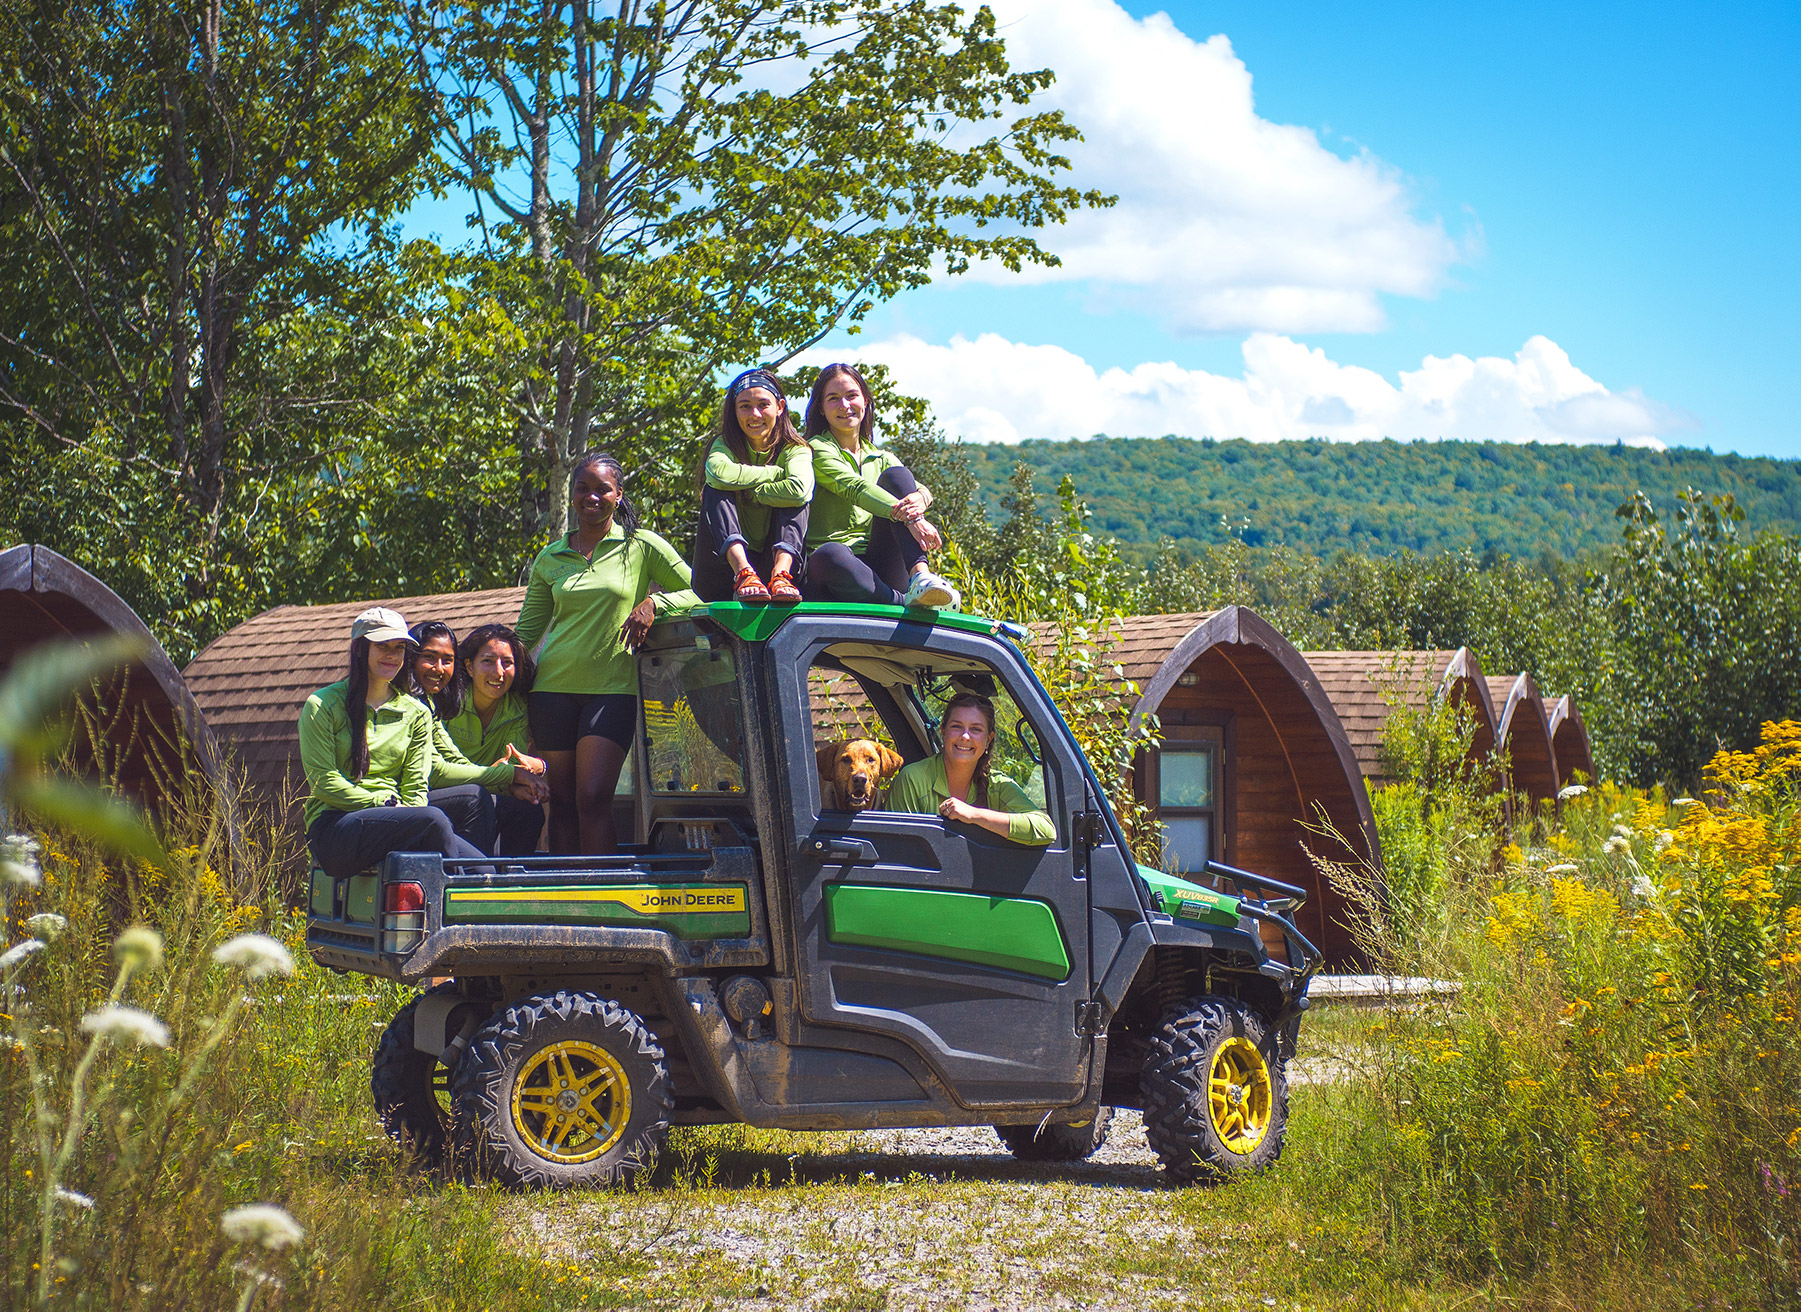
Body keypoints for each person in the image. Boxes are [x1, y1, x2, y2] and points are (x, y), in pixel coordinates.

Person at [517, 450, 700, 854]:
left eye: (603, 489)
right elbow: (525, 634)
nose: (591, 497)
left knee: (594, 798)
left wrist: (656, 604)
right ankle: (566, 900)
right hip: (551, 692)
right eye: (582, 489)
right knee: (561, 805)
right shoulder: (551, 557)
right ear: (572, 495)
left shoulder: (641, 546)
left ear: (619, 495)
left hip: (612, 690)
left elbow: (701, 591)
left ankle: (602, 896)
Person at [299, 606, 490, 879]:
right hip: (335, 826)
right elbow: (325, 783)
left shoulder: (416, 712)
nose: (392, 655)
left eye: (399, 648)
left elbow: (416, 786)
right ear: (359, 649)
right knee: (433, 819)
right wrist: (382, 802)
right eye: (382, 646)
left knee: (485, 870)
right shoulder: (322, 705)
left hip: (397, 819)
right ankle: (455, 907)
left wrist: (406, 814)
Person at [801, 363, 959, 609]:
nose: (844, 405)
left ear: (865, 400)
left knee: (897, 476)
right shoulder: (815, 449)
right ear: (821, 408)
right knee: (829, 555)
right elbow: (855, 487)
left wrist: (923, 497)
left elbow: (918, 488)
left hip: (884, 565)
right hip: (842, 570)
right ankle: (900, 602)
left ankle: (920, 576)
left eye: (851, 396)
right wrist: (913, 519)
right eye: (833, 399)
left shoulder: (882, 457)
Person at [409, 619, 548, 856]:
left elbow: (508, 763)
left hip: (483, 790)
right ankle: (475, 880)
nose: (498, 672)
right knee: (476, 798)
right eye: (487, 662)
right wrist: (508, 775)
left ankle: (513, 883)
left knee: (526, 808)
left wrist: (531, 772)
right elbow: (437, 771)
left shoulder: (516, 708)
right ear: (469, 667)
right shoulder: (444, 700)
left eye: (507, 663)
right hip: (428, 794)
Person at [693, 368, 813, 603]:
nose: (754, 414)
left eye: (763, 404)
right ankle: (744, 572)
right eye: (745, 406)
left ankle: (781, 574)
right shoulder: (724, 444)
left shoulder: (794, 449)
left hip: (776, 558)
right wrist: (774, 474)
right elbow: (717, 474)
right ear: (734, 411)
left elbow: (799, 489)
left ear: (779, 407)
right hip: (724, 566)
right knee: (715, 488)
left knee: (796, 501)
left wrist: (752, 492)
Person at [885, 692, 1054, 845]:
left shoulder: (997, 785)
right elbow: (898, 851)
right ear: (943, 731)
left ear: (989, 739)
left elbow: (1046, 829)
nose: (965, 736)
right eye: (957, 726)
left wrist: (974, 815)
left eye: (976, 729)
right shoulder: (913, 779)